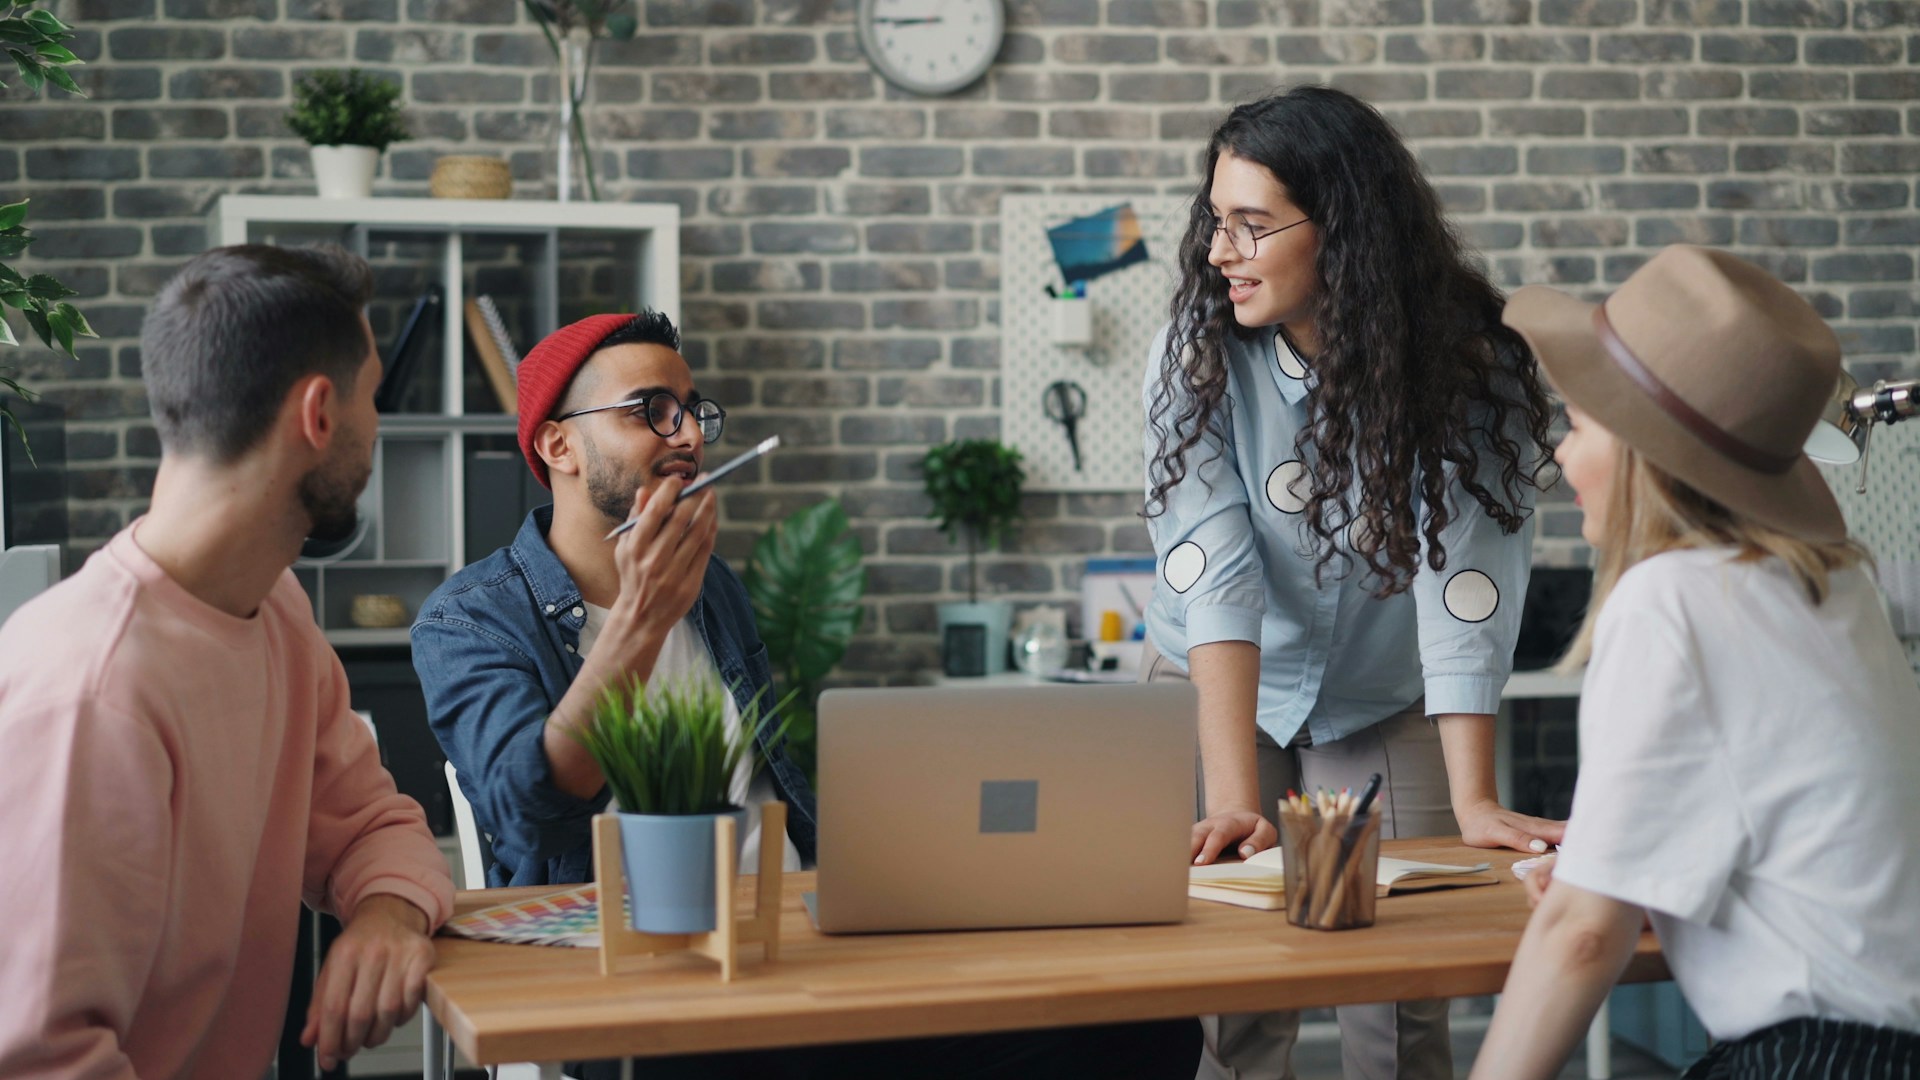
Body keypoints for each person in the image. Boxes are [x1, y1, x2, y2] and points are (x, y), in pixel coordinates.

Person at [414, 311, 1201, 1079]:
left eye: (692, 412)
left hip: (795, 938)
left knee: (1142, 1032)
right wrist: (641, 621)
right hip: (636, 976)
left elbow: (768, 782)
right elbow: (529, 806)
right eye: (651, 411)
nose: (687, 435)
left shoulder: (711, 586)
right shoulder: (471, 620)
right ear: (559, 445)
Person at [1140, 85, 1565, 1078]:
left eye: (1251, 226)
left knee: (1400, 992)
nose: (1217, 252)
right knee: (1238, 989)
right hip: (1216, 682)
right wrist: (1239, 803)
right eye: (1215, 222)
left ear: (1345, 232)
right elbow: (1218, 569)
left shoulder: (1473, 367)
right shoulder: (1195, 353)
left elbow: (1466, 578)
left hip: (1387, 689)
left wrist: (1476, 799)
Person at [0, 245, 455, 1077]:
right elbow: (39, 1060)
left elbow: (375, 826)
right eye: (373, 397)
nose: (377, 426)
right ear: (319, 415)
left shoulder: (276, 612)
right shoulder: (90, 691)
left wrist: (386, 918)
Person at [1471, 248, 1920, 1078]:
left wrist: (1588, 892)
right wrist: (1612, 869)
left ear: (1647, 452)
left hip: (1819, 1056)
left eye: (1579, 425)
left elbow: (1580, 936)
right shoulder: (1839, 587)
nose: (1560, 459)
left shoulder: (1670, 600)